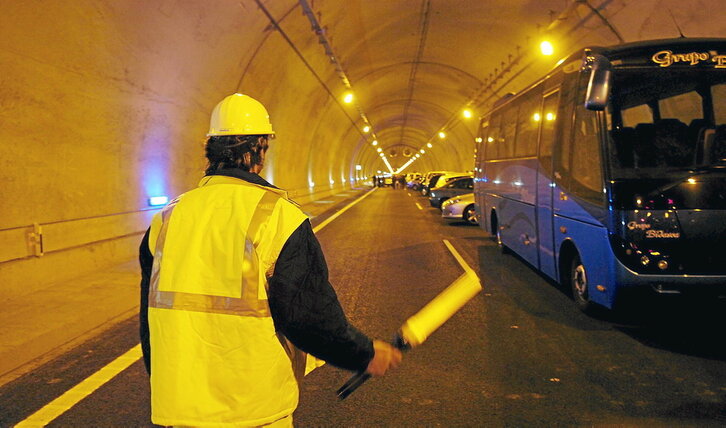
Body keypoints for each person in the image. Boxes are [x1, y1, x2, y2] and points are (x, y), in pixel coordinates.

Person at [139, 93, 402, 427]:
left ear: (210, 147)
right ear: (261, 147)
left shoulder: (166, 219)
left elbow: (148, 320)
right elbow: (308, 316)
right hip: (252, 409)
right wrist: (364, 354)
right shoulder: (278, 216)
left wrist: (165, 383)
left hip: (177, 409)